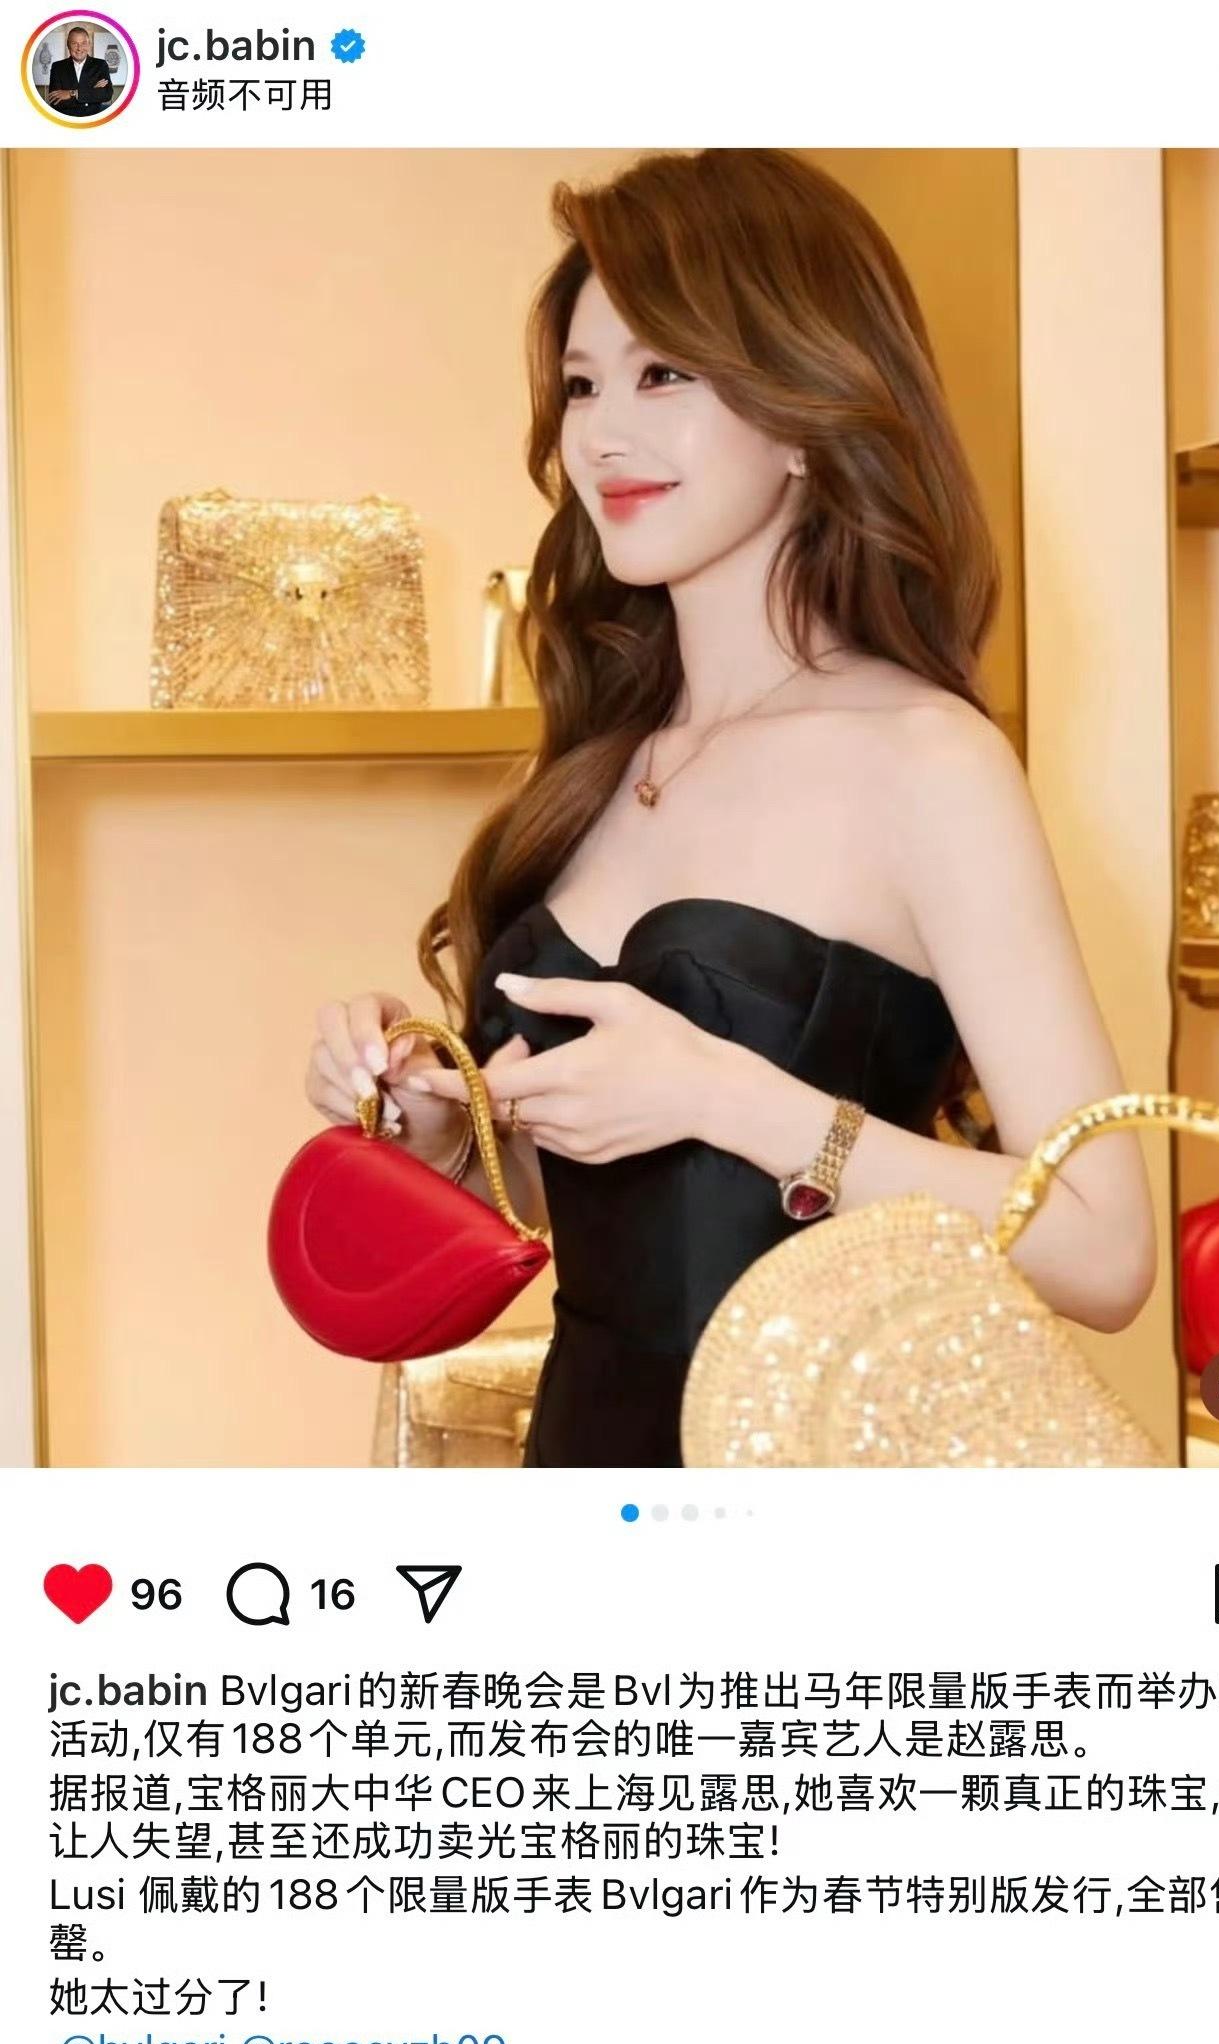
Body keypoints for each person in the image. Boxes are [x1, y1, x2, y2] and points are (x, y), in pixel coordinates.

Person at [305, 148, 1156, 1469]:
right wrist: (429, 1117)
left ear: (805, 407)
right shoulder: (589, 764)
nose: (602, 433)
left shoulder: (927, 762)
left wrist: (730, 1098)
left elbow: (1104, 1247)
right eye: (581, 384)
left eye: (663, 374)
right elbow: (574, 1197)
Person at [46, 25, 114, 114]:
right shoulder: (57, 67)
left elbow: (106, 94)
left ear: (89, 45)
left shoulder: (100, 65)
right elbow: (55, 102)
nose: (79, 48)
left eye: (83, 43)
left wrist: (72, 93)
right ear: (68, 45)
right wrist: (91, 91)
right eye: (74, 43)